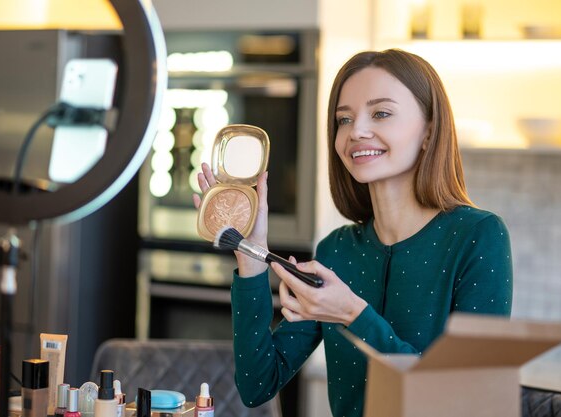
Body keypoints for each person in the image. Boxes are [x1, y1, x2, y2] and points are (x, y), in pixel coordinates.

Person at [193, 48, 513, 417]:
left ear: (429, 131)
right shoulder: (337, 250)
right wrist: (250, 252)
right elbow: (257, 384)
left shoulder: (478, 236)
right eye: (343, 120)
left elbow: (466, 400)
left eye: (381, 113)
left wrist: (352, 314)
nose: (356, 131)